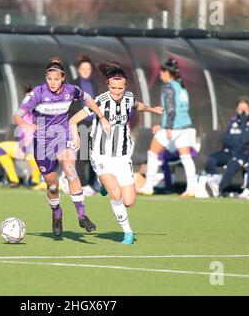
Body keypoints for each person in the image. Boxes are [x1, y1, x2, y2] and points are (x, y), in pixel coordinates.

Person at [13, 57, 111, 237]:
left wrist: (102, 117)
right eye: (49, 78)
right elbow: (18, 115)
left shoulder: (71, 90)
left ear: (63, 78)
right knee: (52, 187)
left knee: (70, 169)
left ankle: (82, 216)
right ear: (46, 77)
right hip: (42, 144)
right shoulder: (37, 93)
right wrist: (25, 125)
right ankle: (56, 214)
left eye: (56, 79)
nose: (52, 82)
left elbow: (89, 100)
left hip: (63, 138)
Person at [69, 62, 163, 245]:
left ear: (126, 85)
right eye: (113, 88)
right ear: (107, 85)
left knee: (129, 202)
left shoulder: (128, 98)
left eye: (120, 88)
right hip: (101, 155)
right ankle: (127, 233)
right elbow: (73, 120)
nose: (117, 92)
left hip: (122, 157)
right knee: (116, 195)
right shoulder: (99, 101)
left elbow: (137, 105)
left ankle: (101, 182)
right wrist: (77, 138)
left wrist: (152, 109)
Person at [138, 58, 197, 197]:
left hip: (173, 127)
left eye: (161, 73)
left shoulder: (169, 87)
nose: (160, 75)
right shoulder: (181, 86)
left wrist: (167, 127)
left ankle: (148, 186)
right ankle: (192, 189)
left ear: (167, 73)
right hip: (185, 126)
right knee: (186, 157)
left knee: (152, 152)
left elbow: (170, 109)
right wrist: (163, 125)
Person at [205, 96, 249, 197]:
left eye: (244, 110)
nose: (242, 112)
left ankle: (219, 189)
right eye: (240, 109)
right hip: (231, 151)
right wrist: (237, 140)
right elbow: (226, 138)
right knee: (211, 159)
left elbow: (247, 140)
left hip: (245, 153)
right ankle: (214, 182)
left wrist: (243, 122)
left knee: (234, 162)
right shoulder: (232, 122)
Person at [0, 84, 44, 189]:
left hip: (38, 148)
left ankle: (35, 182)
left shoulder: (42, 114)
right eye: (27, 98)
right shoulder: (22, 115)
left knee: (32, 154)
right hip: (24, 147)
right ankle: (14, 180)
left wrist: (29, 146)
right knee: (1, 148)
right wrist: (23, 146)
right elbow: (22, 133)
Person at [65, 54, 99, 196]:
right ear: (79, 70)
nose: (86, 70)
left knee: (90, 156)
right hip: (78, 123)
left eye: (88, 68)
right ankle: (82, 185)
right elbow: (70, 107)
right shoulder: (72, 85)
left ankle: (90, 183)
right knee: (80, 155)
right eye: (83, 68)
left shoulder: (94, 85)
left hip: (93, 124)